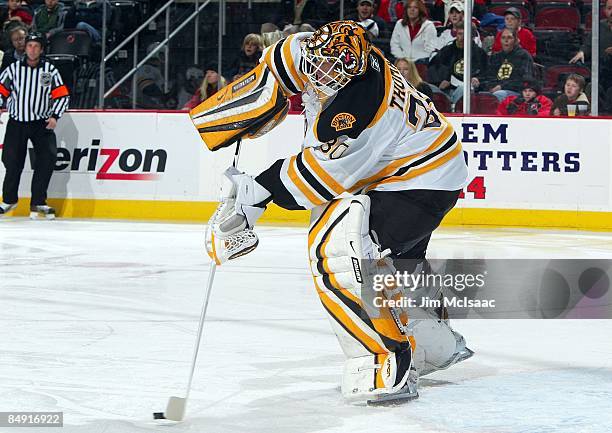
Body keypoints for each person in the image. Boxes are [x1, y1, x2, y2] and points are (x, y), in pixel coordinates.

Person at [201, 21, 472, 404]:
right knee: (401, 261)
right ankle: (437, 345)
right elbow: (282, 59)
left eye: (335, 70)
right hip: (427, 162)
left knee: (339, 245)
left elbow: (319, 181)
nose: (322, 75)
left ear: (356, 68)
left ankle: (384, 361)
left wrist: (255, 193)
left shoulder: (362, 109)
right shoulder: (325, 53)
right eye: (319, 63)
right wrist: (249, 108)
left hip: (421, 182)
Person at [0, 32, 69, 218]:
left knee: (47, 160)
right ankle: (8, 200)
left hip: (41, 123)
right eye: (29, 45)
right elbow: (1, 90)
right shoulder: (13, 69)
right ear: (25, 48)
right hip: (17, 123)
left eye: (36, 46)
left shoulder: (50, 70)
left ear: (42, 49)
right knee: (12, 161)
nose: (32, 49)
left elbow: (62, 95)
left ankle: (38, 202)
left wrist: (55, 116)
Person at [428, 21, 487, 104]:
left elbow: (486, 73)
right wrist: (444, 79)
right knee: (427, 87)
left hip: (466, 92)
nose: (461, 38)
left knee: (464, 88)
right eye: (459, 34)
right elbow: (433, 68)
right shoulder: (447, 50)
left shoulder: (479, 53)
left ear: (472, 37)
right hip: (446, 91)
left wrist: (477, 79)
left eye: (465, 35)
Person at [569, 0, 612, 113]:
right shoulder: (600, 26)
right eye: (609, 8)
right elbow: (589, 44)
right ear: (604, 10)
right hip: (602, 72)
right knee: (592, 88)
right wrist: (582, 52)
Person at [477, 28, 534, 101]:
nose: (506, 40)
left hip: (516, 91)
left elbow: (524, 80)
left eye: (509, 38)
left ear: (515, 40)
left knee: (499, 94)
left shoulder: (523, 55)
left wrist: (501, 86)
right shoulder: (495, 57)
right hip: (495, 90)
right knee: (478, 95)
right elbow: (489, 76)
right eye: (503, 38)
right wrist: (490, 86)